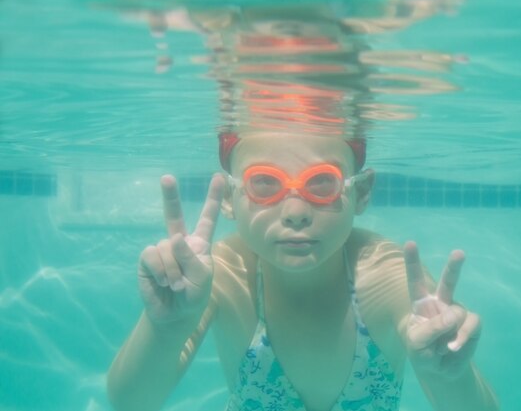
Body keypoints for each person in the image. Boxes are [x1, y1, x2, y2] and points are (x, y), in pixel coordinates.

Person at [107, 129, 499, 411]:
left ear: (360, 192)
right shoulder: (222, 277)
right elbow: (130, 403)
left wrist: (451, 375)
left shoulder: (388, 276)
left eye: (322, 183)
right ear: (230, 197)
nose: (295, 213)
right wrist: (164, 328)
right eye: (264, 184)